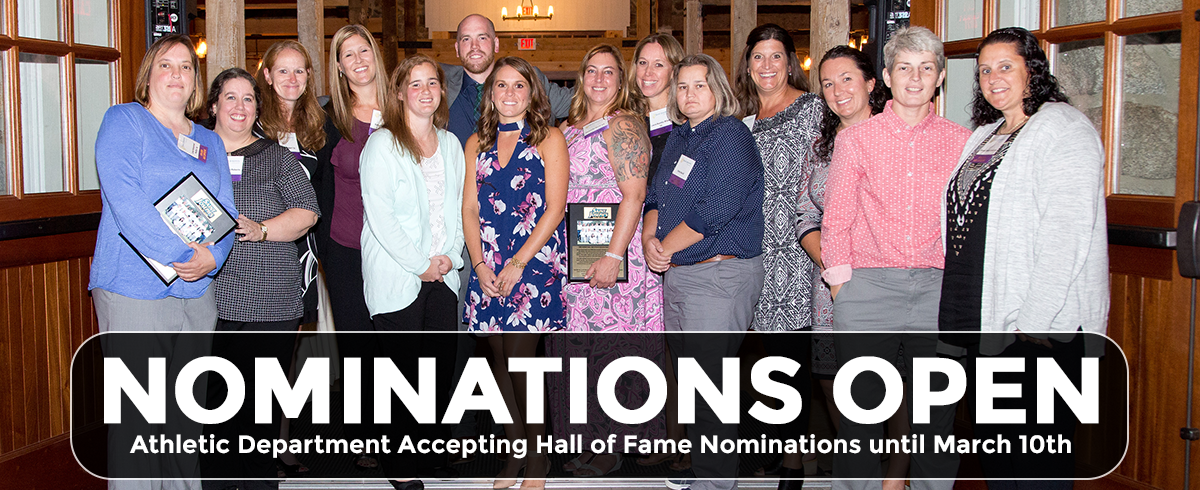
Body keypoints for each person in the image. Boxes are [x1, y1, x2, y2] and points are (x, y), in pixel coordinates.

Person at [941, 26, 1108, 484]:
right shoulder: (986, 134)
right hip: (989, 323)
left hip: (1039, 331)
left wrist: (1032, 322)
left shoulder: (1063, 128)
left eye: (1006, 66)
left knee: (1037, 463)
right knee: (999, 457)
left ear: (1032, 70)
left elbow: (1067, 234)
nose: (993, 78)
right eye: (984, 70)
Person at [820, 27, 971, 490]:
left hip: (937, 292)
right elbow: (836, 219)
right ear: (886, 76)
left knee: (935, 422)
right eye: (904, 67)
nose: (915, 78)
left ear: (940, 77)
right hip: (868, 291)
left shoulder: (964, 142)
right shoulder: (857, 139)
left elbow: (967, 223)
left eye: (926, 68)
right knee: (859, 418)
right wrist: (843, 288)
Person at [90, 33, 235, 489]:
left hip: (197, 294)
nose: (177, 74)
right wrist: (184, 254)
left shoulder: (209, 140)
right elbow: (125, 201)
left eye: (186, 67)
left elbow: (225, 212)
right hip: (133, 289)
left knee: (184, 421)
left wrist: (212, 257)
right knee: (138, 421)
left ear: (195, 82)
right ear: (148, 77)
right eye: (166, 65)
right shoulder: (125, 121)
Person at [644, 53, 765, 490]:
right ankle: (709, 474)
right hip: (681, 273)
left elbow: (716, 209)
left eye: (700, 84)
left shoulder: (730, 135)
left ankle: (716, 483)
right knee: (695, 384)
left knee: (710, 386)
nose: (689, 94)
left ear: (718, 89)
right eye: (682, 86)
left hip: (719, 276)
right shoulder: (681, 137)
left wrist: (664, 248)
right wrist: (649, 239)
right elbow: (655, 198)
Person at [545, 43, 663, 478]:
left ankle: (614, 444)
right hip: (574, 254)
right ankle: (586, 438)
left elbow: (635, 194)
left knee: (615, 350)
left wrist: (613, 255)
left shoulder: (624, 124)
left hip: (615, 253)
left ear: (620, 80)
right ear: (581, 77)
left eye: (608, 72)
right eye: (591, 70)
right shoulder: (569, 128)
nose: (598, 79)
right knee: (579, 351)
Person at [202, 66, 320, 490]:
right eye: (230, 97)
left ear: (258, 108)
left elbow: (308, 212)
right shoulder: (193, 152)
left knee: (259, 407)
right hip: (206, 300)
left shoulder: (276, 156)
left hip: (270, 299)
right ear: (213, 105)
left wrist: (262, 230)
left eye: (248, 98)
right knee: (212, 403)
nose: (240, 106)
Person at [358, 54, 467, 490]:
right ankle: (398, 462)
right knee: (401, 376)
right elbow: (381, 216)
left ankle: (425, 449)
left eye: (432, 83)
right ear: (400, 92)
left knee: (436, 373)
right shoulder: (382, 144)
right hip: (398, 274)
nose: (425, 91)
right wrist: (421, 265)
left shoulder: (452, 144)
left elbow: (458, 209)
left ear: (442, 91)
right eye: (415, 84)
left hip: (443, 274)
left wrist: (450, 257)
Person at [462, 56, 569, 489]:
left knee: (522, 362)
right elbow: (469, 209)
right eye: (501, 85)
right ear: (490, 94)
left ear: (532, 92)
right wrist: (479, 263)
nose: (509, 93)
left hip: (533, 263)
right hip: (488, 264)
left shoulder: (549, 138)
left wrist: (518, 263)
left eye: (518, 85)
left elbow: (555, 209)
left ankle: (539, 461)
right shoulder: (476, 142)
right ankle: (516, 453)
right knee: (499, 365)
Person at [731, 24, 823, 486]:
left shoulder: (812, 109)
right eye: (758, 57)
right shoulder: (744, 119)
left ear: (790, 63)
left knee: (792, 360)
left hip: (797, 252)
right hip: (753, 252)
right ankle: (781, 443)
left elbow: (826, 176)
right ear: (748, 65)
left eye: (775, 56)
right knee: (768, 359)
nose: (766, 65)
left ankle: (795, 461)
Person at [804, 44, 893, 477]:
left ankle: (894, 476)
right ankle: (861, 472)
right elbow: (805, 213)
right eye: (827, 83)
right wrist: (834, 268)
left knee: (884, 386)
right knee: (833, 382)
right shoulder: (822, 146)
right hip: (830, 285)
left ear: (871, 84)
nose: (837, 90)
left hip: (884, 284)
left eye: (846, 79)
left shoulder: (893, 138)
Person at [313, 23, 390, 471]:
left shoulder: (404, 106)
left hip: (397, 253)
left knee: (397, 346)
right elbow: (316, 183)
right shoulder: (330, 119)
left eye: (364, 50)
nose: (358, 60)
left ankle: (404, 435)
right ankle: (366, 437)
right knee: (359, 347)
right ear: (339, 67)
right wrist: (323, 246)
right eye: (348, 55)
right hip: (345, 249)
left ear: (375, 55)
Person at [253, 40, 327, 478]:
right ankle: (251, 445)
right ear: (266, 74)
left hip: (302, 253)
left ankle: (282, 439)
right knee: (257, 353)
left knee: (289, 352)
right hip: (256, 249)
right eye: (283, 70)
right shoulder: (250, 120)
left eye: (300, 71)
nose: (292, 79)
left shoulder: (317, 125)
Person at [627, 32, 691, 473]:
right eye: (642, 63)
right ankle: (647, 433)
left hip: (672, 248)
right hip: (631, 246)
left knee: (675, 349)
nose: (648, 73)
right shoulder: (628, 120)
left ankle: (680, 441)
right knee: (642, 347)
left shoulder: (685, 128)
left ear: (674, 70)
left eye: (659, 64)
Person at [444, 14, 573, 146]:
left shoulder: (528, 79)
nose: (474, 46)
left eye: (482, 38)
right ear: (457, 49)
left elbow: (579, 100)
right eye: (466, 39)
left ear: (496, 44)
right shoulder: (440, 82)